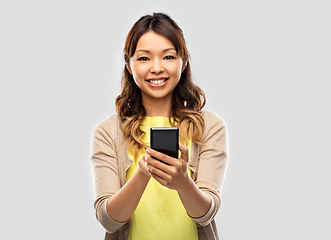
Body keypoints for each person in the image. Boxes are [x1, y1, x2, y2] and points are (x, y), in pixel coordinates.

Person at [90, 12, 229, 240]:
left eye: (168, 57)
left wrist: (183, 183)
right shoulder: (108, 132)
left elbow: (206, 214)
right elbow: (108, 219)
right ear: (129, 64)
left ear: (183, 62)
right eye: (144, 58)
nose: (156, 68)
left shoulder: (210, 127)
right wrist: (144, 173)